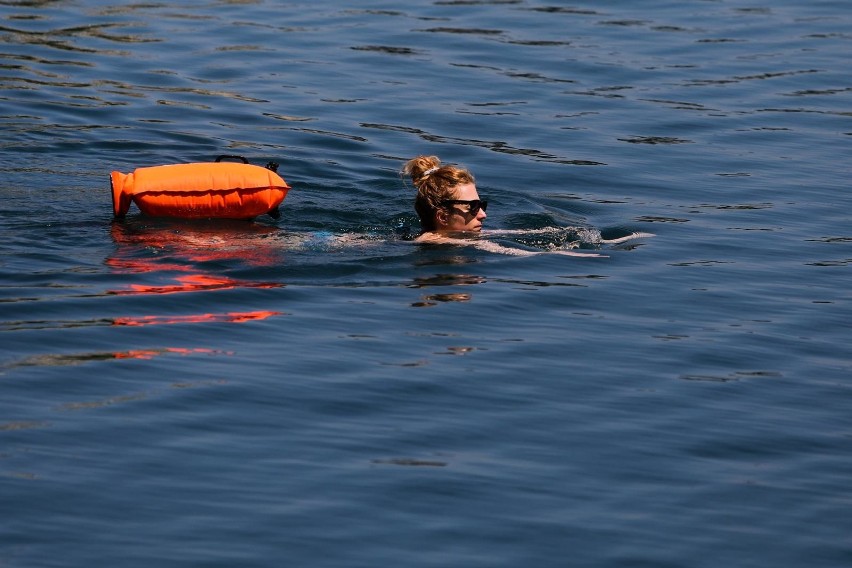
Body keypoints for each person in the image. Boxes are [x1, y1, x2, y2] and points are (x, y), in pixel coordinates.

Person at [401, 155, 487, 242]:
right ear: (443, 217)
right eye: (473, 206)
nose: (483, 215)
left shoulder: (462, 237)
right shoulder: (425, 244)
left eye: (481, 205)